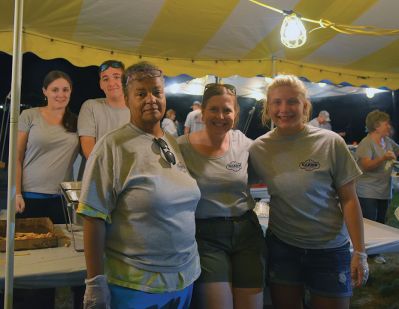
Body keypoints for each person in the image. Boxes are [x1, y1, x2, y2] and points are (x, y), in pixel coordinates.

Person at [77, 61, 201, 309]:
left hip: (185, 279)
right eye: (141, 94)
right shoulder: (113, 146)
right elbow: (93, 216)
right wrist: (95, 282)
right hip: (136, 286)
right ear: (126, 98)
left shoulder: (173, 143)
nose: (151, 99)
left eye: (157, 92)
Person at [249, 75, 368, 309]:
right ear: (268, 107)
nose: (284, 109)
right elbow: (237, 183)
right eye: (277, 102)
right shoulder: (259, 148)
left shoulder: (330, 142)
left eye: (292, 101)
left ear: (305, 105)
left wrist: (360, 252)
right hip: (283, 247)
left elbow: (349, 199)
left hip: (330, 249)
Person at [178, 83, 265, 309]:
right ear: (202, 112)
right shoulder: (181, 148)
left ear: (235, 114)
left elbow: (264, 173)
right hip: (206, 235)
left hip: (246, 231)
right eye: (214, 109)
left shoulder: (245, 144)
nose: (220, 116)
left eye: (227, 110)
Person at [15, 70, 79, 308]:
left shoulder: (75, 121)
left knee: (59, 261)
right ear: (45, 92)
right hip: (31, 198)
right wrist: (16, 193)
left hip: (61, 201)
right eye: (55, 89)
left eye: (65, 90)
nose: (60, 94)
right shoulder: (29, 115)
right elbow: (17, 157)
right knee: (31, 262)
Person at [356, 110, 399, 264]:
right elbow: (366, 166)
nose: (389, 125)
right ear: (376, 125)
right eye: (386, 123)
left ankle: (376, 254)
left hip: (384, 190)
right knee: (368, 224)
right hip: (367, 190)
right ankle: (363, 255)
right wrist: (384, 158)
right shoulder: (366, 143)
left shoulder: (387, 141)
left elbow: (397, 151)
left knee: (381, 222)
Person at [78, 59, 130, 159]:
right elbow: (88, 146)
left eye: (116, 77)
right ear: (101, 84)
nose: (111, 83)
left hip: (129, 173)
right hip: (97, 171)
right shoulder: (91, 106)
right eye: (105, 79)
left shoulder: (137, 110)